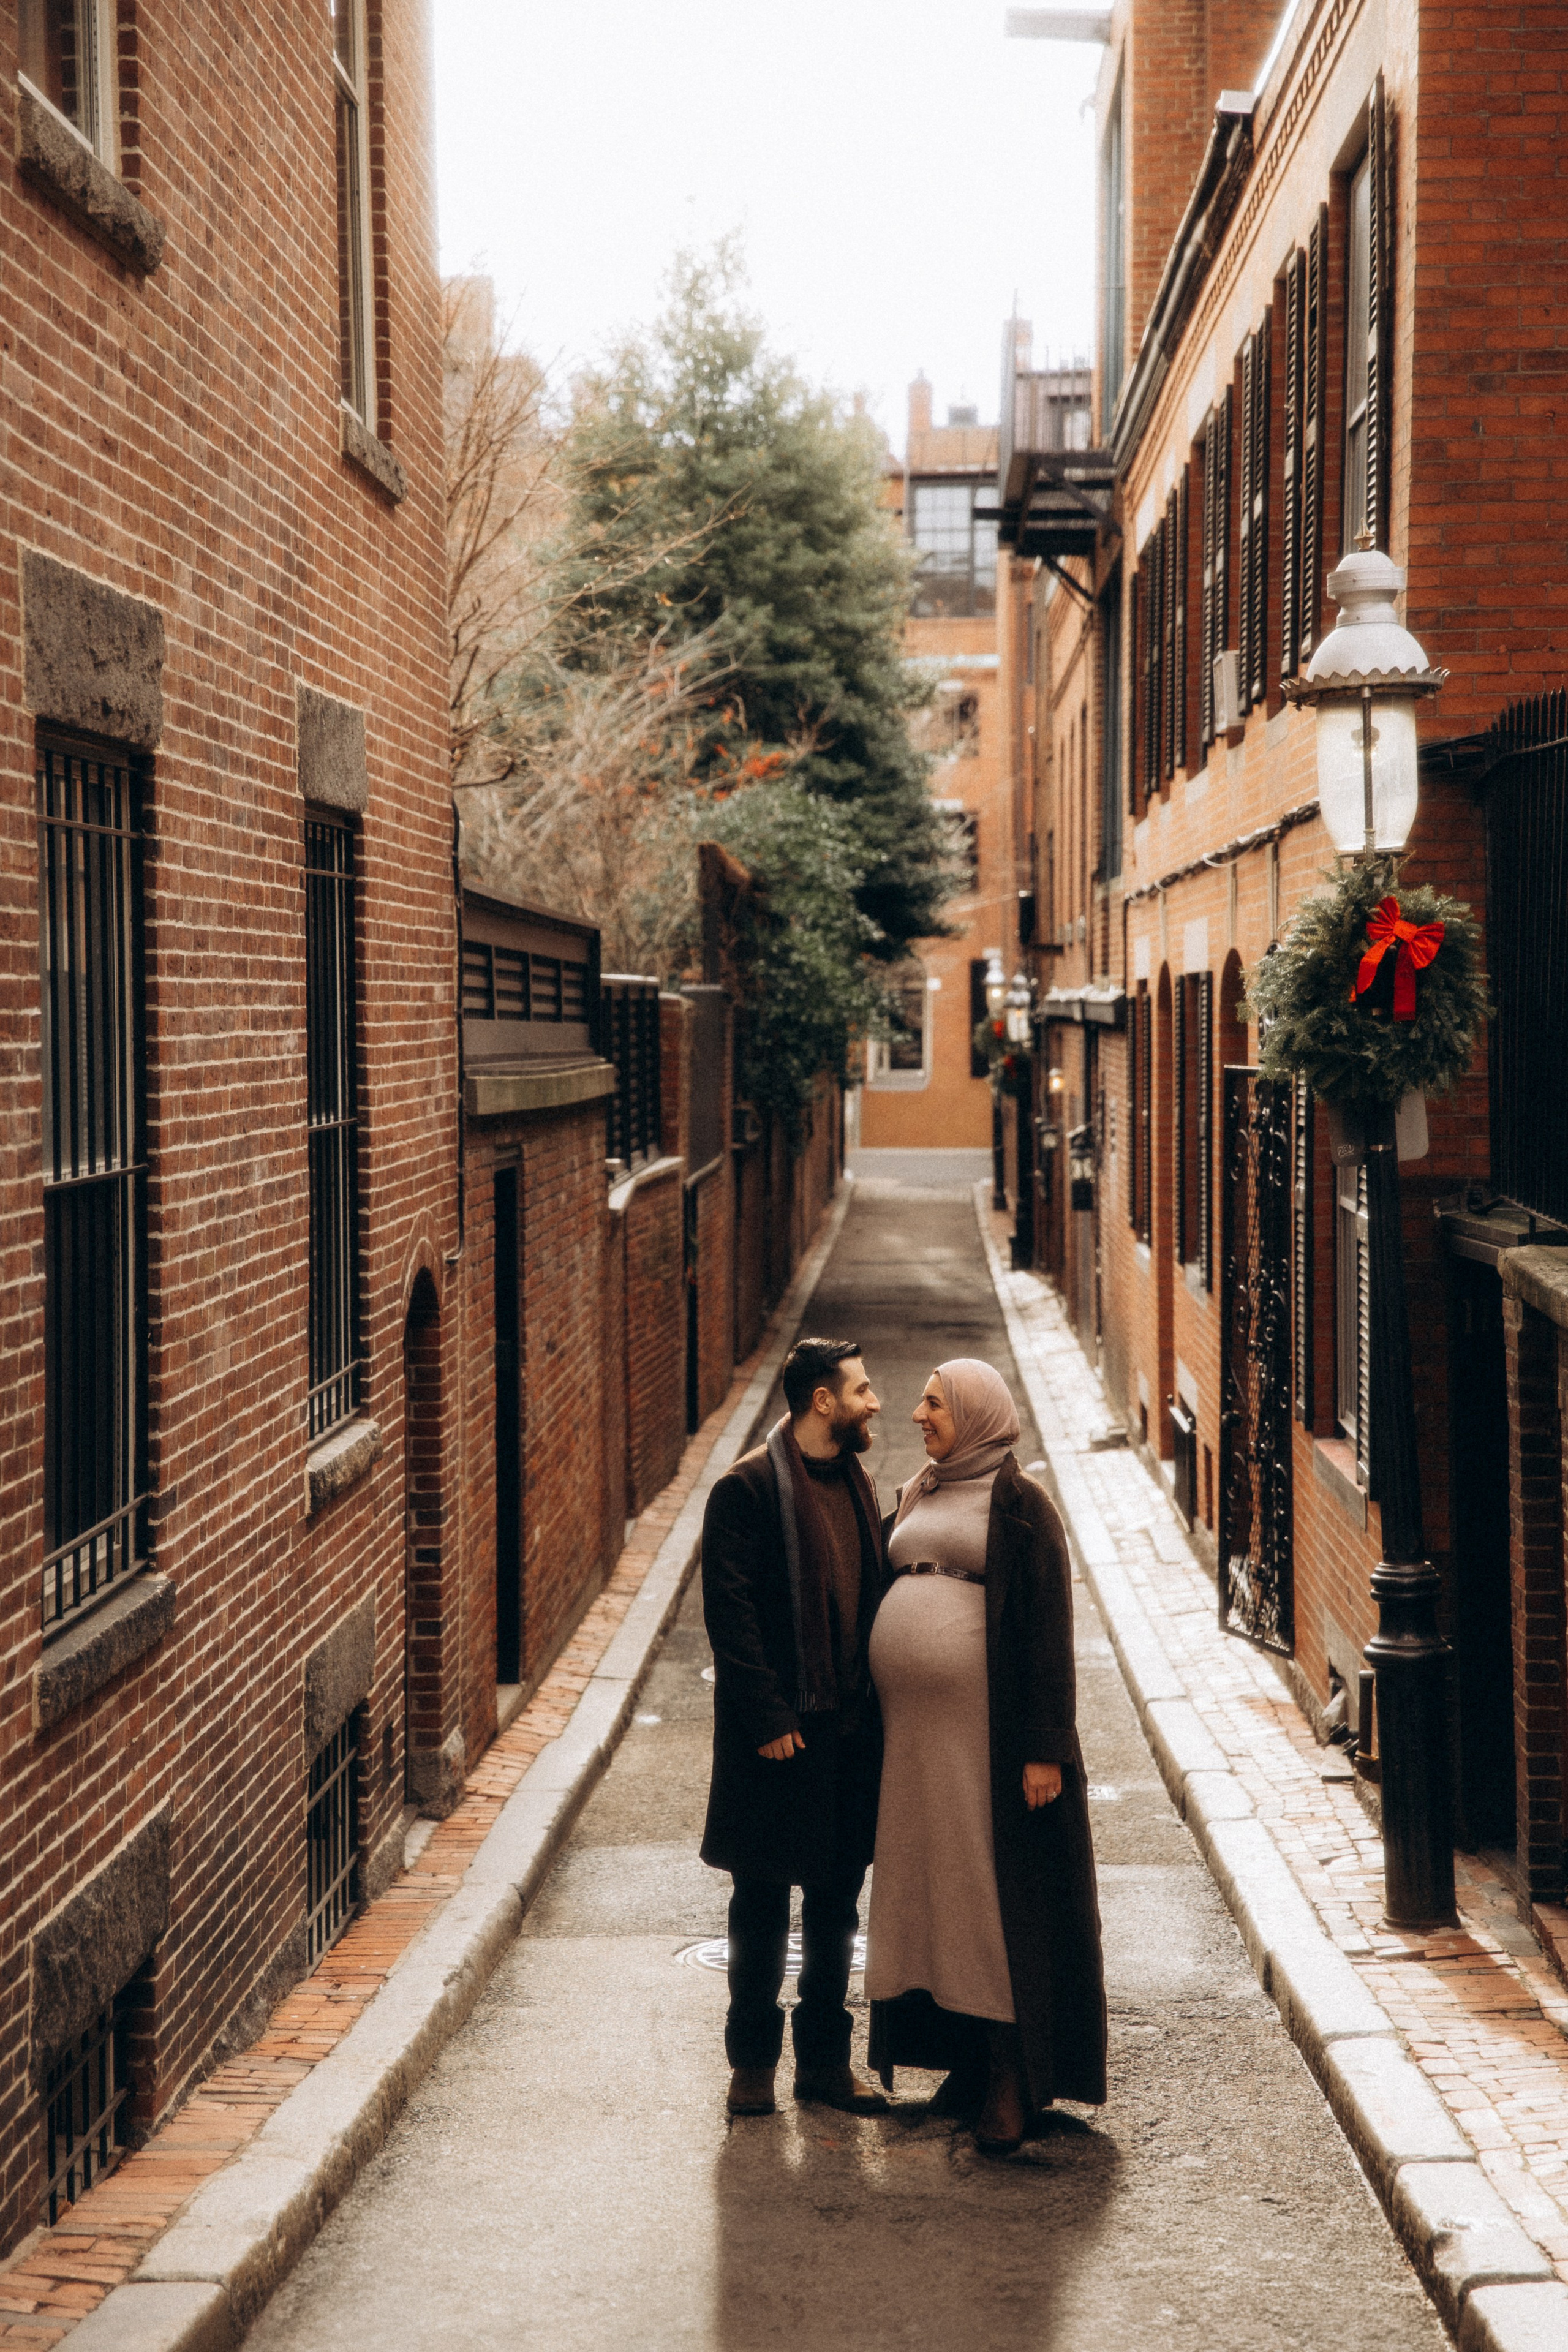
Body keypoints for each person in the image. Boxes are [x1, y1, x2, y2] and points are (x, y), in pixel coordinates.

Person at [865, 1355, 1107, 2154]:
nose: (917, 1415)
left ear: (973, 1414)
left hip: (988, 1743)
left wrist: (1045, 1750)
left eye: (933, 1404)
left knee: (985, 1894)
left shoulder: (1023, 1505)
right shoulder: (921, 1490)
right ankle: (963, 2061)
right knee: (928, 1889)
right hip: (916, 1745)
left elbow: (1047, 1632)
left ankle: (1013, 2073)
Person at [699, 1337, 889, 2119]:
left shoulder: (856, 1483)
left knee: (838, 1908)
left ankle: (823, 2063)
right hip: (777, 1741)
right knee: (762, 1905)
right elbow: (731, 1618)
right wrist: (770, 1717)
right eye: (862, 1389)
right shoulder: (745, 1490)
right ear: (822, 1401)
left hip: (847, 1736)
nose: (874, 1401)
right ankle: (751, 2064)